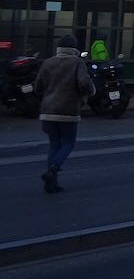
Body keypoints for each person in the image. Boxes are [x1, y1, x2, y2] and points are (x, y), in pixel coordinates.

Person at [34, 33, 94, 194]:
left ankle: (51, 183)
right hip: (68, 109)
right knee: (68, 142)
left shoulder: (48, 62)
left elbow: (38, 86)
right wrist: (89, 92)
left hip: (48, 110)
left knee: (54, 144)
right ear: (74, 48)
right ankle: (53, 169)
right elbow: (84, 83)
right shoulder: (76, 62)